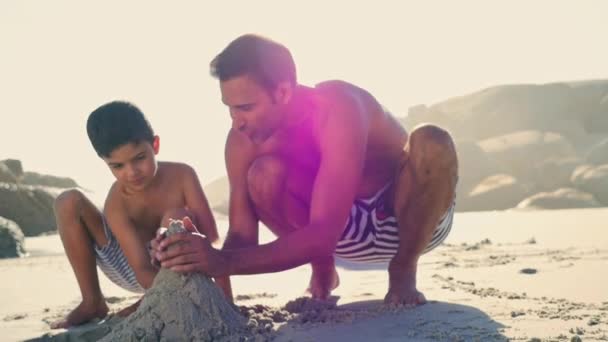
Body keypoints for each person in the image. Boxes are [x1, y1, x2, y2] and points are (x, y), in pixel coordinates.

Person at [154, 34, 458, 306]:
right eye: (229, 108)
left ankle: (403, 269)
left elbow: (323, 232)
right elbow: (243, 237)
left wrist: (221, 261)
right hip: (337, 237)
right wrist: (191, 250)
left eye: (246, 107)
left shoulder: (339, 107)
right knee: (263, 173)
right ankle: (322, 266)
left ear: (283, 92)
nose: (236, 121)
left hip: (410, 220)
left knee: (431, 140)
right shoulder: (241, 141)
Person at [51, 101, 224, 328]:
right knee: (67, 201)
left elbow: (211, 237)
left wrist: (224, 300)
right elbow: (142, 269)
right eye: (117, 166)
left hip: (180, 260)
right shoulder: (116, 203)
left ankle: (156, 297)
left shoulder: (183, 174)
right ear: (105, 163)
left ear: (156, 145)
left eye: (139, 158)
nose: (131, 172)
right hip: (131, 265)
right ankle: (92, 301)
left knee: (176, 214)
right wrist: (163, 290)